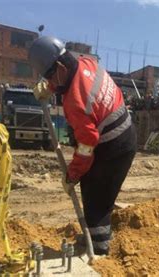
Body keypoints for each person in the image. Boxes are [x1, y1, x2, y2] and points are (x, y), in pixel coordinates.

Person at [28, 36, 136, 256]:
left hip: (114, 146)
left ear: (59, 66)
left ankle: (99, 247)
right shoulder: (86, 63)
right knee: (97, 190)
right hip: (122, 135)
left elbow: (86, 146)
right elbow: (68, 79)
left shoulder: (75, 101)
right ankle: (98, 237)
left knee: (95, 195)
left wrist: (72, 175)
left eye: (49, 76)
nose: (52, 81)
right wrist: (49, 87)